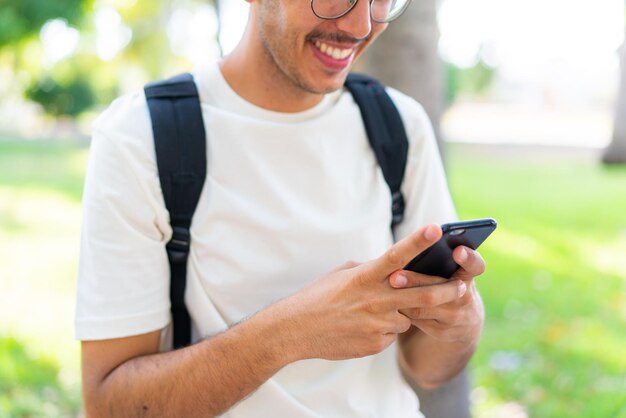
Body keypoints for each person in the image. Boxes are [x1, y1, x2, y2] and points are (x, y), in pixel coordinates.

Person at [75, 0, 486, 416]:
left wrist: (461, 321)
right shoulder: (140, 137)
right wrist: (292, 332)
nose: (361, 24)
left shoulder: (399, 124)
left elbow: (428, 368)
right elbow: (111, 405)